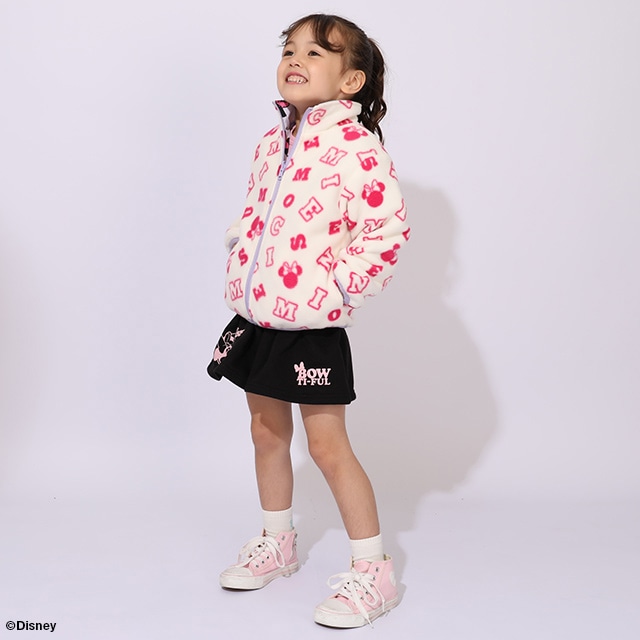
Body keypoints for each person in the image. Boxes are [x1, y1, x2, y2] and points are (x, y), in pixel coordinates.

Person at [207, 13, 410, 628]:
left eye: (316, 52)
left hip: (313, 325)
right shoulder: (272, 143)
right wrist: (240, 246)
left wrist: (337, 287)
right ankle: (278, 542)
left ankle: (373, 570)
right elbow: (256, 211)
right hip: (259, 317)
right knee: (265, 433)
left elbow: (386, 231)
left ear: (350, 80)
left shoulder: (357, 149)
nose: (296, 59)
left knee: (326, 446)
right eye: (289, 49)